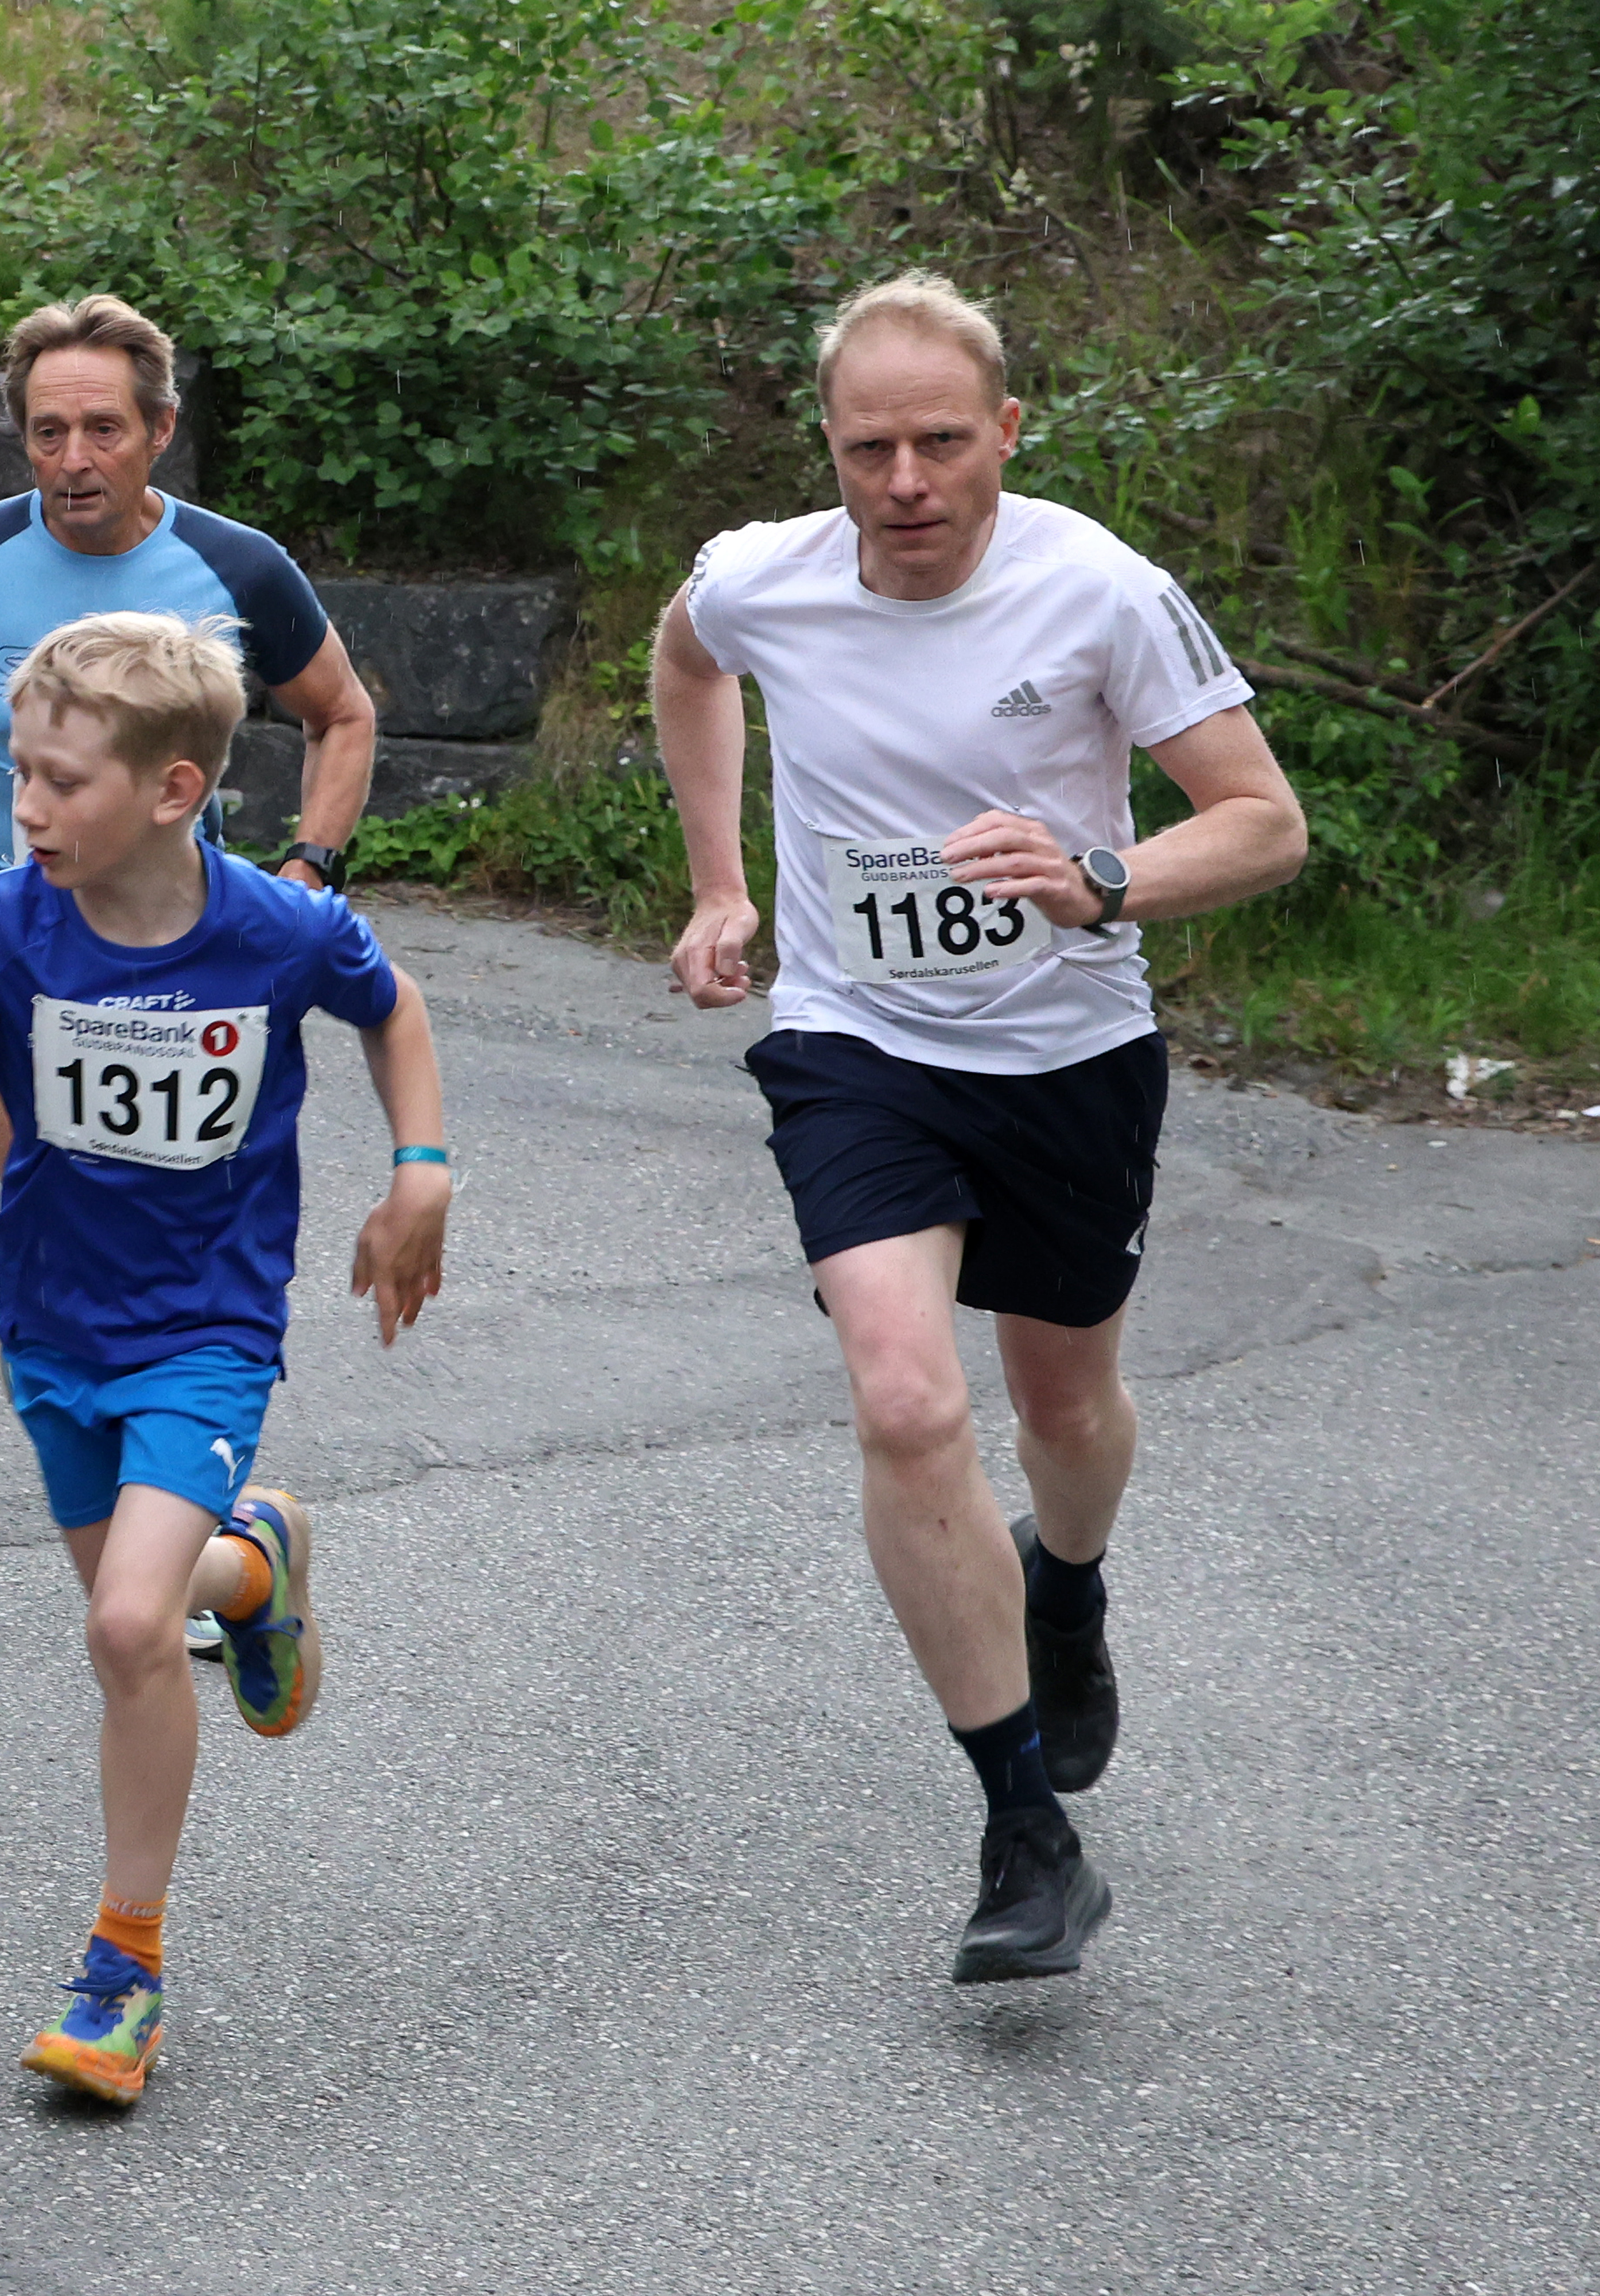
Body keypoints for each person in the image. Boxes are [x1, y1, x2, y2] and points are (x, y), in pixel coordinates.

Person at [653, 270, 1307, 1982]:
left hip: (1064, 1058)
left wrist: (1104, 879)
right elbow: (684, 663)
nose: (904, 482)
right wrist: (721, 884)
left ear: (1004, 430)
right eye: (866, 447)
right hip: (854, 1046)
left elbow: (1260, 824)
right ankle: (1023, 1830)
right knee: (898, 1392)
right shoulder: (759, 581)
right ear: (827, 448)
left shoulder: (1096, 590)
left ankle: (1066, 1584)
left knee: (1063, 1405)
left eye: (940, 441)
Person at [0, 611, 452, 2106]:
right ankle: (257, 1565)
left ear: (174, 790)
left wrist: (422, 1169)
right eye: (19, 775)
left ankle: (125, 1972)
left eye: (61, 781)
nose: (26, 808)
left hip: (209, 1335)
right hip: (51, 1332)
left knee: (123, 1634)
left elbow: (393, 1005)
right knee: (153, 1606)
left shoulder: (277, 929)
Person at [0, 294, 381, 1177]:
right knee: (53, 1215)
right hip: (9, 942)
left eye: (104, 429)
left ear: (161, 427)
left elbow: (343, 714)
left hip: (184, 943)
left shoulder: (239, 565)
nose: (73, 462)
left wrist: (308, 870)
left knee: (174, 1218)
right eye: (48, 432)